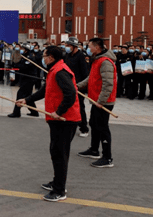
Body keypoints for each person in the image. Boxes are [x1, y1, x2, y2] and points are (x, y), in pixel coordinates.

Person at [16, 46, 81, 202]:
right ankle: (57, 182)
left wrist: (59, 112)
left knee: (60, 153)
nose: (42, 59)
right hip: (56, 119)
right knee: (56, 151)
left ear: (51, 57)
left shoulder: (60, 72)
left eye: (44, 56)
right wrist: (27, 100)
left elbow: (71, 94)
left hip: (65, 120)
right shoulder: (54, 70)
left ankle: (59, 190)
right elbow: (45, 91)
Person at [76, 38, 118, 168]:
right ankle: (94, 150)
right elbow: (92, 78)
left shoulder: (105, 62)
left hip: (103, 101)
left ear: (97, 47)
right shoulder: (97, 59)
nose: (88, 49)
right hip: (96, 100)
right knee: (94, 124)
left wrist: (101, 101)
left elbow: (108, 84)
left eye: (89, 46)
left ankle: (107, 157)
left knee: (103, 128)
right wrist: (77, 86)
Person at [64, 37, 90, 137]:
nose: (67, 47)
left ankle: (84, 128)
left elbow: (85, 74)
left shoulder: (81, 56)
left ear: (74, 46)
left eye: (68, 46)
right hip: (68, 85)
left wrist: (81, 86)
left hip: (78, 86)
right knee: (67, 105)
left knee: (79, 107)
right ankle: (69, 125)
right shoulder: (67, 55)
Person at [8, 44, 39, 118]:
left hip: (29, 79)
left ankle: (16, 112)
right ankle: (34, 112)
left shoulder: (29, 57)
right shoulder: (24, 56)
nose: (20, 49)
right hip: (25, 78)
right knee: (28, 96)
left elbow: (25, 67)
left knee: (20, 94)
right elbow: (20, 64)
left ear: (26, 49)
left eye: (22, 48)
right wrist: (13, 65)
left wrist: (17, 66)